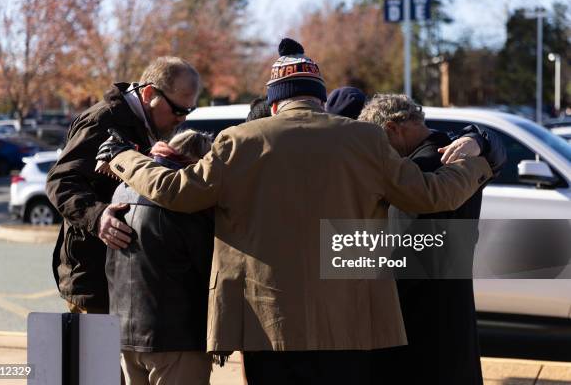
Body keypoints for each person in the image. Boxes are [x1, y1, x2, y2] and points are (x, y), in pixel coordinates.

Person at [95, 38, 494, 384]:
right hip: (348, 322)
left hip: (267, 323)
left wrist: (126, 158)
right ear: (320, 99)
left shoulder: (240, 141)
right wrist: (482, 157)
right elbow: (432, 195)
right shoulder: (365, 139)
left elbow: (174, 190)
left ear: (273, 104)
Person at [359, 94, 506, 384]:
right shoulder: (460, 151)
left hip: (417, 328)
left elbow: (399, 258)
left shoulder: (415, 172)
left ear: (392, 128)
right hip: (453, 313)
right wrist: (482, 140)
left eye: (378, 144)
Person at [46, 56, 200, 313]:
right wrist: (96, 217)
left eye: (189, 111)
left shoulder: (147, 124)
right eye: (178, 110)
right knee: (93, 353)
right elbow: (61, 180)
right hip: (94, 278)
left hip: (132, 276)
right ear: (149, 93)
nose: (182, 120)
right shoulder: (102, 121)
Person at [106, 129, 214, 385]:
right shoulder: (188, 201)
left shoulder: (122, 191)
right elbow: (209, 270)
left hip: (126, 334)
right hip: (177, 338)